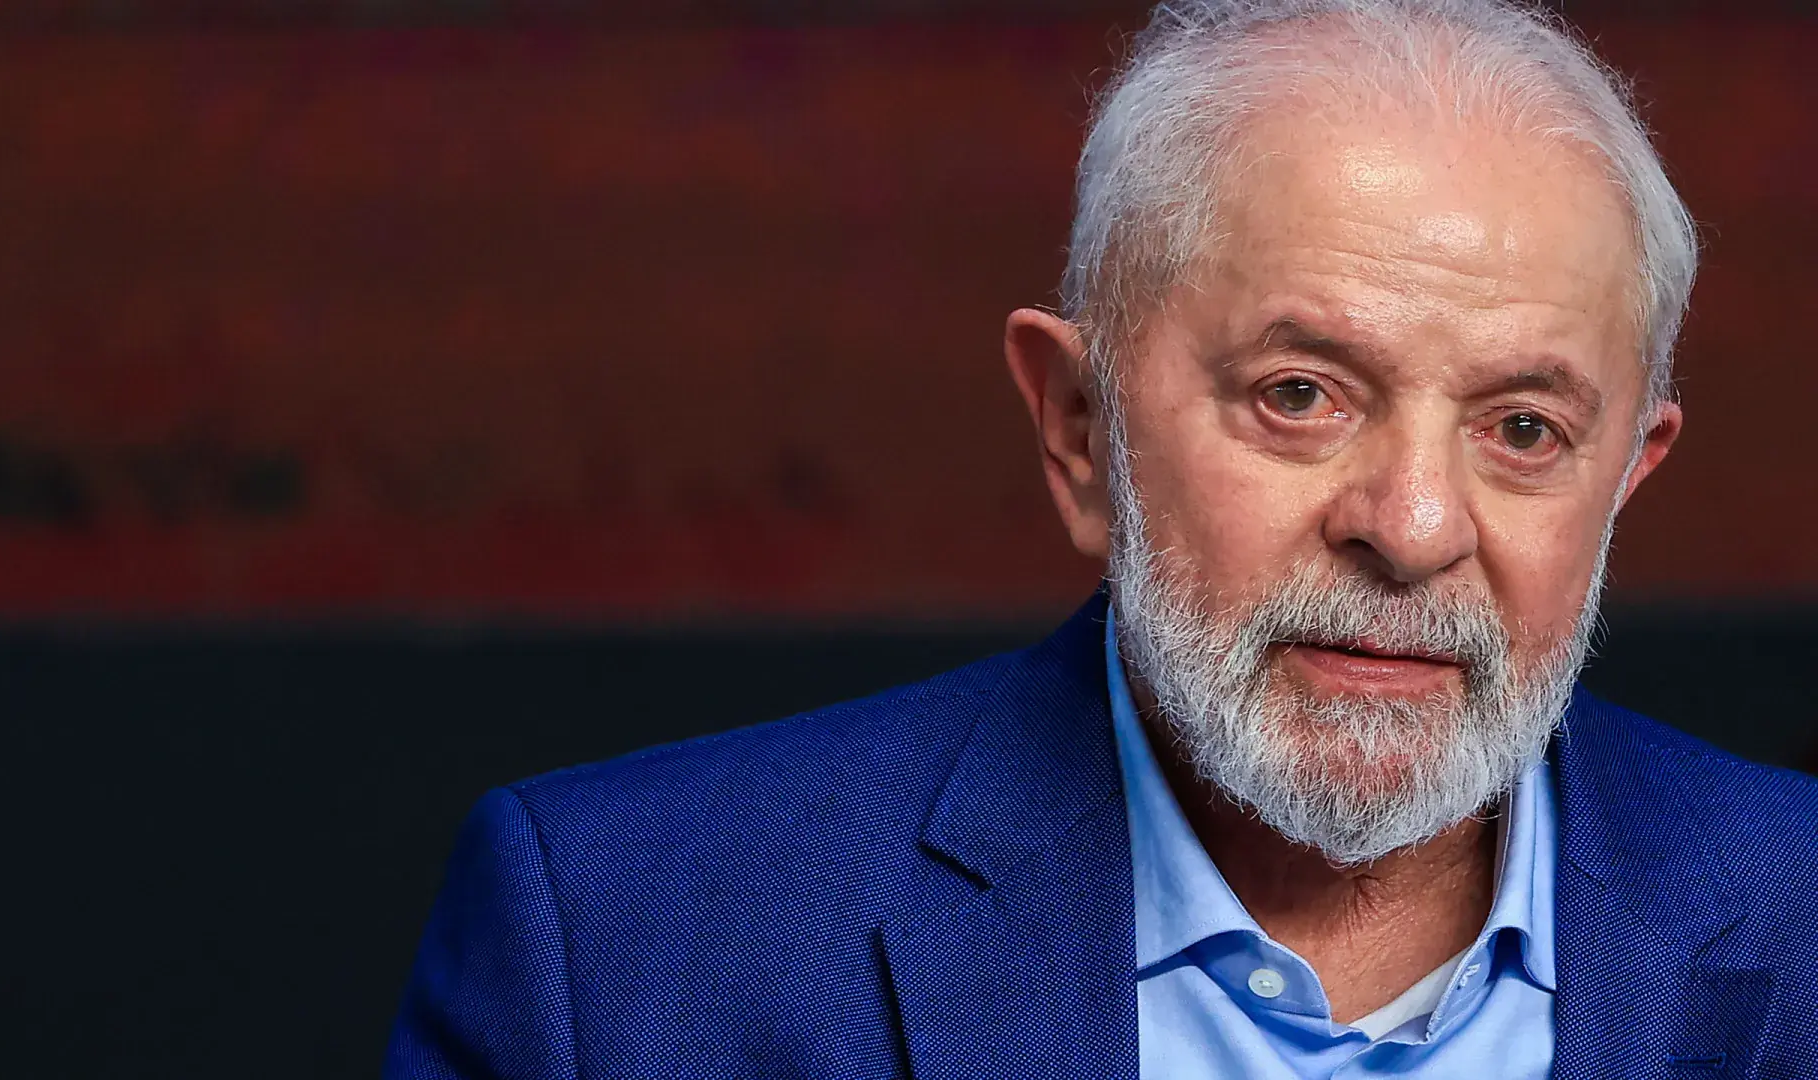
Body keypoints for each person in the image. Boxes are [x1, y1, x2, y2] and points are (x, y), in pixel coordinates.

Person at [386, 2, 1818, 1076]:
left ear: (1627, 475)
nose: (1414, 527)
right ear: (1082, 428)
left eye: (1524, 429)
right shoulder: (622, 947)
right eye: (1301, 396)